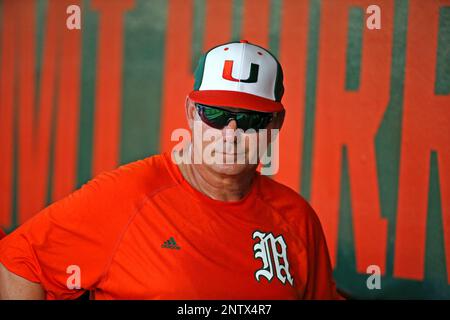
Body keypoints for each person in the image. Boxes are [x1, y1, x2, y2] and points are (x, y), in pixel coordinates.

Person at [0, 40, 340, 300]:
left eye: (250, 119)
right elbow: (17, 261)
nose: (231, 133)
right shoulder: (129, 195)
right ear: (191, 112)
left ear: (275, 123)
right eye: (216, 115)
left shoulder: (297, 218)